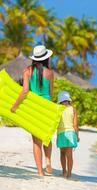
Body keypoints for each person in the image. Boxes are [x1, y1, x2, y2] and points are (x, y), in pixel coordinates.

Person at [10, 45, 54, 176]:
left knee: (36, 141)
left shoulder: (27, 71)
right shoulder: (50, 73)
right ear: (46, 58)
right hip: (47, 106)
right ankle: (48, 160)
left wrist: (15, 105)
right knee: (47, 136)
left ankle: (40, 171)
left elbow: (25, 91)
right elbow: (51, 93)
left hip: (34, 107)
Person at [56, 91, 79, 179]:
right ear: (68, 100)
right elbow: (75, 124)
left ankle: (64, 171)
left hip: (61, 133)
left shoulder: (58, 108)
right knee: (69, 155)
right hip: (71, 133)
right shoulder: (73, 109)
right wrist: (77, 135)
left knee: (62, 153)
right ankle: (69, 174)